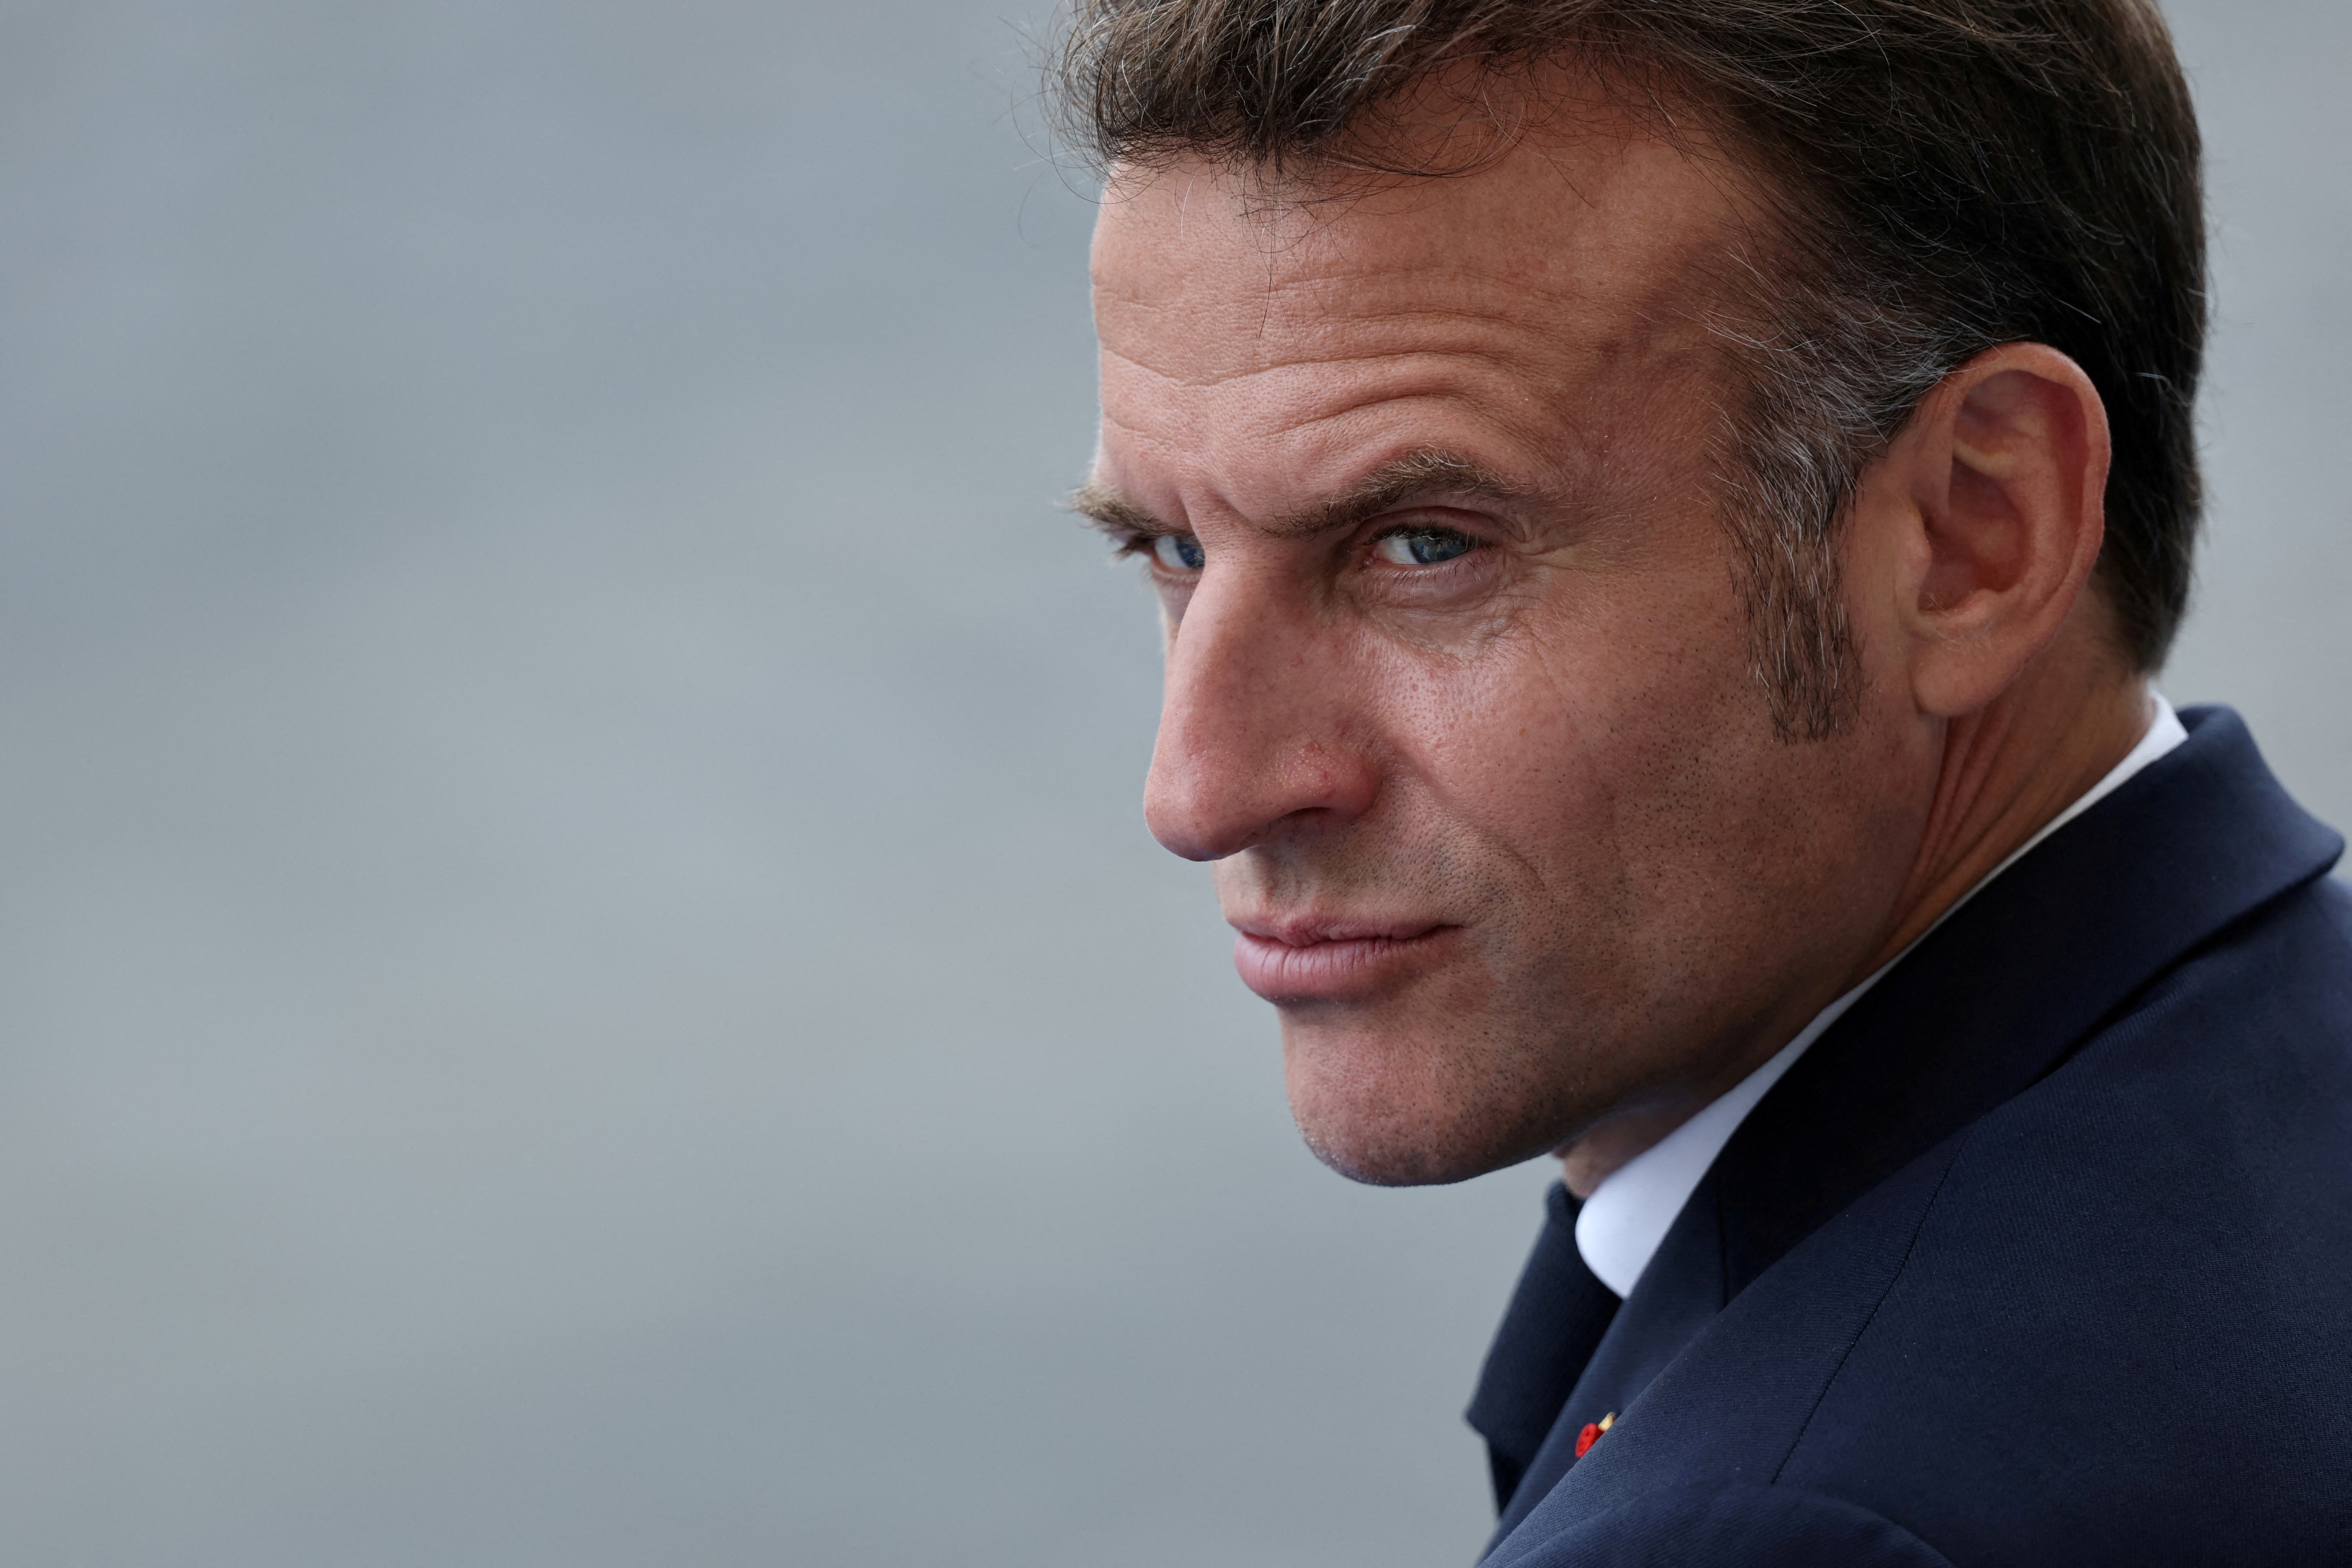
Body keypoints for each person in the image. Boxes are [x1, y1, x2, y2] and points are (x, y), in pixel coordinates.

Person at [1053, 0, 2351, 1562]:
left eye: (1426, 545)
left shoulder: (1798, 1524)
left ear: (1972, 534)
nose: (1199, 789)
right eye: (1176, 549)